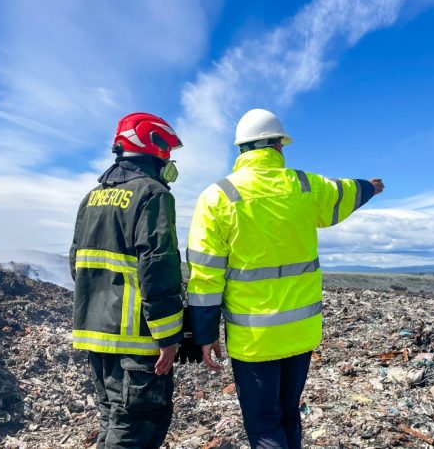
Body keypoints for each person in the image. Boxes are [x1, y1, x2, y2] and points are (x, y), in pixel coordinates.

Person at [186, 108, 384, 448]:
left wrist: (203, 334)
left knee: (264, 426)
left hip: (254, 340)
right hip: (300, 332)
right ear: (278, 145)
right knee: (289, 413)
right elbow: (345, 192)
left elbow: (205, 276)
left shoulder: (216, 197)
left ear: (241, 149)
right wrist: (371, 187)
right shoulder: (305, 187)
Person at [70, 112, 186, 448]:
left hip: (95, 336)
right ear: (156, 148)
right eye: (166, 152)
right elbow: (158, 268)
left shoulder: (91, 198)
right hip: (136, 341)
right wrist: (168, 337)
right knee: (137, 427)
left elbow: (76, 264)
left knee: (111, 419)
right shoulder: (152, 194)